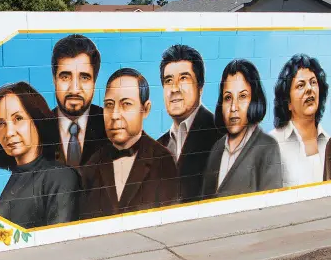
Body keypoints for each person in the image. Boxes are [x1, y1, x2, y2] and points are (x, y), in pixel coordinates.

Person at [79, 68, 180, 218]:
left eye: (126, 104)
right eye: (109, 105)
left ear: (145, 109)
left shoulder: (163, 161)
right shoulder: (91, 166)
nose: (114, 115)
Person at [0, 82, 80, 228]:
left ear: (37, 120)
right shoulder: (17, 176)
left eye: (18, 119)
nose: (9, 133)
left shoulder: (60, 177)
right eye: (0, 124)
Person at [202, 59, 282, 197]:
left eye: (242, 96)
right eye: (228, 98)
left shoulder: (267, 148)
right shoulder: (217, 148)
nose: (234, 107)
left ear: (254, 100)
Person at [156, 44, 224, 202]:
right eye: (168, 80)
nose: (174, 88)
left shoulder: (220, 134)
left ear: (200, 87)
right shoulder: (159, 146)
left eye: (183, 78)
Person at [270, 54, 329, 186]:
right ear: (288, 102)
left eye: (313, 82)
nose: (309, 89)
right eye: (300, 85)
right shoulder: (272, 144)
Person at [50, 34, 108, 167]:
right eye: (65, 77)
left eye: (84, 77)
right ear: (54, 80)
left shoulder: (112, 125)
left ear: (94, 81)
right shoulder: (37, 129)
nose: (75, 89)